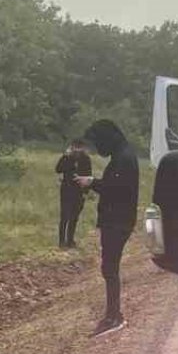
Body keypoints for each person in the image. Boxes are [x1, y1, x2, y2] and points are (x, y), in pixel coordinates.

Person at [76, 119, 139, 338]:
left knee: (109, 268)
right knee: (109, 268)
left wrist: (92, 182)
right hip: (117, 220)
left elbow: (116, 190)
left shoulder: (124, 158)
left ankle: (114, 316)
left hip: (118, 222)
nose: (96, 148)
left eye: (97, 142)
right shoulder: (122, 155)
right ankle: (112, 314)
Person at [54, 139, 92, 248]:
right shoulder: (67, 158)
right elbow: (58, 169)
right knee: (64, 216)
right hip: (66, 189)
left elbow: (88, 176)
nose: (77, 149)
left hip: (79, 191)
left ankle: (70, 240)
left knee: (74, 216)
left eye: (80, 147)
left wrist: (86, 192)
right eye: (75, 147)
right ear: (72, 147)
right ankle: (61, 241)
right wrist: (65, 156)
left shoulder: (86, 159)